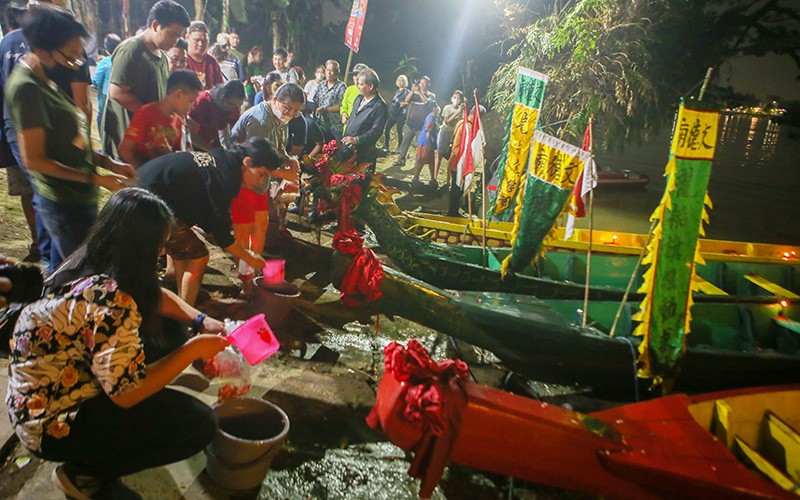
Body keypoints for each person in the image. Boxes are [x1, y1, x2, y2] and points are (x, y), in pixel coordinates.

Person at [8, 187, 229, 499]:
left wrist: (198, 321)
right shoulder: (112, 301)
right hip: (52, 424)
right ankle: (84, 473)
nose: (162, 253)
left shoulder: (95, 257)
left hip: (41, 396)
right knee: (199, 424)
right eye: (160, 245)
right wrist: (194, 349)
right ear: (142, 245)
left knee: (173, 331)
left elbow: (152, 293)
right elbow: (128, 395)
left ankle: (100, 444)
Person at [6, 6, 134, 274]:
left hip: (77, 195)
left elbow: (67, 139)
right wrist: (98, 179)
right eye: (72, 55)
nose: (77, 62)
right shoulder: (26, 88)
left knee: (60, 272)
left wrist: (108, 163)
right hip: (62, 202)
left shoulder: (48, 74)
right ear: (44, 48)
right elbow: (35, 160)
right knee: (83, 274)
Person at [137, 138, 296, 305]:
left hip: (144, 194)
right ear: (247, 162)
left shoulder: (224, 158)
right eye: (261, 174)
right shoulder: (226, 179)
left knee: (186, 250)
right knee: (199, 257)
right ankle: (186, 318)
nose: (260, 182)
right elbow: (221, 234)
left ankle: (182, 297)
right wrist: (249, 257)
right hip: (146, 205)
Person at [102, 0, 191, 158]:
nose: (175, 40)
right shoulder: (131, 50)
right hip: (129, 138)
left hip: (150, 139)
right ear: (156, 25)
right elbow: (117, 93)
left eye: (179, 36)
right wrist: (154, 116)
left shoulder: (162, 57)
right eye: (172, 34)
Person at [0, 3, 38, 262]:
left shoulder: (6, 43)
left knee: (28, 189)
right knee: (42, 187)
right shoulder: (39, 40)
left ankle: (37, 242)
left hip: (10, 127)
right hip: (31, 127)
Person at [118, 70, 203, 168]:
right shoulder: (146, 113)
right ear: (179, 94)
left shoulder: (178, 122)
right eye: (191, 101)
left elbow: (175, 154)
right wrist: (143, 175)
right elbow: (125, 150)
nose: (192, 107)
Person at [341, 68, 388, 165]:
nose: (358, 86)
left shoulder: (379, 106)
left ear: (370, 86)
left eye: (361, 84)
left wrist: (356, 140)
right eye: (358, 83)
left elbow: (376, 132)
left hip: (365, 154)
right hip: (347, 149)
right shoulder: (358, 99)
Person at [188, 79, 245, 151]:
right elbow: (191, 134)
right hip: (197, 143)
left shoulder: (234, 107)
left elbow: (238, 131)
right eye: (231, 104)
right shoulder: (204, 101)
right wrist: (211, 150)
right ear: (222, 97)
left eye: (239, 104)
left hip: (214, 140)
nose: (233, 108)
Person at [394, 75, 436, 167]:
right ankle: (401, 160)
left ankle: (418, 163)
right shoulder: (415, 94)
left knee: (420, 145)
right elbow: (406, 100)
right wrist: (413, 91)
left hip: (422, 125)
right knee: (405, 142)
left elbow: (427, 103)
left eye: (424, 83)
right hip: (411, 123)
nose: (422, 85)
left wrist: (419, 92)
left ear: (429, 84)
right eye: (421, 83)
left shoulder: (431, 95)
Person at [90, 33, 121, 130]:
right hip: (121, 106)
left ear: (106, 49)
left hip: (106, 106)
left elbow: (96, 82)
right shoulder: (125, 59)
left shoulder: (104, 62)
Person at [312, 59, 346, 140]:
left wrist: (326, 109)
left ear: (337, 73)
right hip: (321, 123)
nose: (329, 73)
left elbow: (341, 106)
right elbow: (316, 101)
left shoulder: (341, 87)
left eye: (332, 71)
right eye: (327, 70)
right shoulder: (321, 85)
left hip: (335, 126)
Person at [435, 90, 464, 183]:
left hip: (453, 135)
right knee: (439, 154)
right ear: (451, 98)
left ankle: (448, 180)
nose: (456, 99)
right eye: (454, 97)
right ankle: (434, 177)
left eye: (458, 98)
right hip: (444, 132)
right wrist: (457, 113)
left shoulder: (461, 110)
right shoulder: (447, 108)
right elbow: (447, 121)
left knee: (451, 157)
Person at [185, 21, 222, 90]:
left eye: (204, 41)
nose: (200, 44)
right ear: (187, 38)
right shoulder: (181, 61)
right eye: (196, 40)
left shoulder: (212, 63)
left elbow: (219, 90)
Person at [411, 104, 439, 189]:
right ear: (433, 108)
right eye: (437, 106)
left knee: (430, 161)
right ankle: (416, 178)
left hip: (428, 142)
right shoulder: (430, 118)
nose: (438, 108)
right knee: (422, 160)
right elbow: (428, 132)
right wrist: (428, 144)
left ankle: (432, 178)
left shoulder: (433, 118)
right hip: (426, 142)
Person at [382, 74, 410, 153]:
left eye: (402, 81)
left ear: (405, 82)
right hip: (393, 113)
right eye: (399, 81)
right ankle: (386, 146)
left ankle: (400, 148)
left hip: (401, 114)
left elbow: (410, 102)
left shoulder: (407, 92)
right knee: (387, 128)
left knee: (399, 131)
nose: (401, 82)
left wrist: (403, 104)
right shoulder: (397, 91)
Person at [340, 62, 368, 128]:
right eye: (354, 75)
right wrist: (344, 115)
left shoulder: (368, 91)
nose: (356, 78)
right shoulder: (349, 89)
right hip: (347, 128)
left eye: (359, 75)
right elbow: (343, 106)